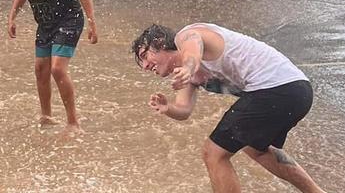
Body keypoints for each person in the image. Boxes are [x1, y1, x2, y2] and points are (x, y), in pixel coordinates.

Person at [131, 23, 326, 193]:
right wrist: (168, 108)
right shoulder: (188, 75)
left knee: (213, 153)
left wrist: (189, 67)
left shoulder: (186, 36)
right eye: (142, 65)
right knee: (255, 149)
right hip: (296, 92)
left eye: (145, 56)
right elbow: (184, 110)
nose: (146, 66)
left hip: (277, 88)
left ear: (160, 41)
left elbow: (193, 47)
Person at [7, 0, 98, 135]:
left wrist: (92, 22)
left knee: (57, 69)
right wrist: (12, 16)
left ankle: (73, 122)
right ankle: (47, 116)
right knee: (40, 69)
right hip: (45, 24)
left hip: (69, 20)